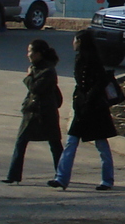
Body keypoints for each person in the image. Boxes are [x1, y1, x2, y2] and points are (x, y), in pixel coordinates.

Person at [50, 29, 117, 191]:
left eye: (76, 40)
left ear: (81, 42)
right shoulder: (82, 58)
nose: (73, 43)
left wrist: (87, 99)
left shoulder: (90, 60)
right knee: (71, 142)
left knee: (101, 145)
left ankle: (107, 180)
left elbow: (98, 82)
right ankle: (61, 178)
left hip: (94, 110)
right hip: (83, 109)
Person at [4, 39, 64, 183]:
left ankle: (62, 174)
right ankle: (13, 176)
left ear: (38, 54)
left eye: (30, 51)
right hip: (31, 111)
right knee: (21, 141)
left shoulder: (48, 71)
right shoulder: (37, 67)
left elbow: (36, 88)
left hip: (45, 113)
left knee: (55, 144)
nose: (28, 55)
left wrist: (29, 76)